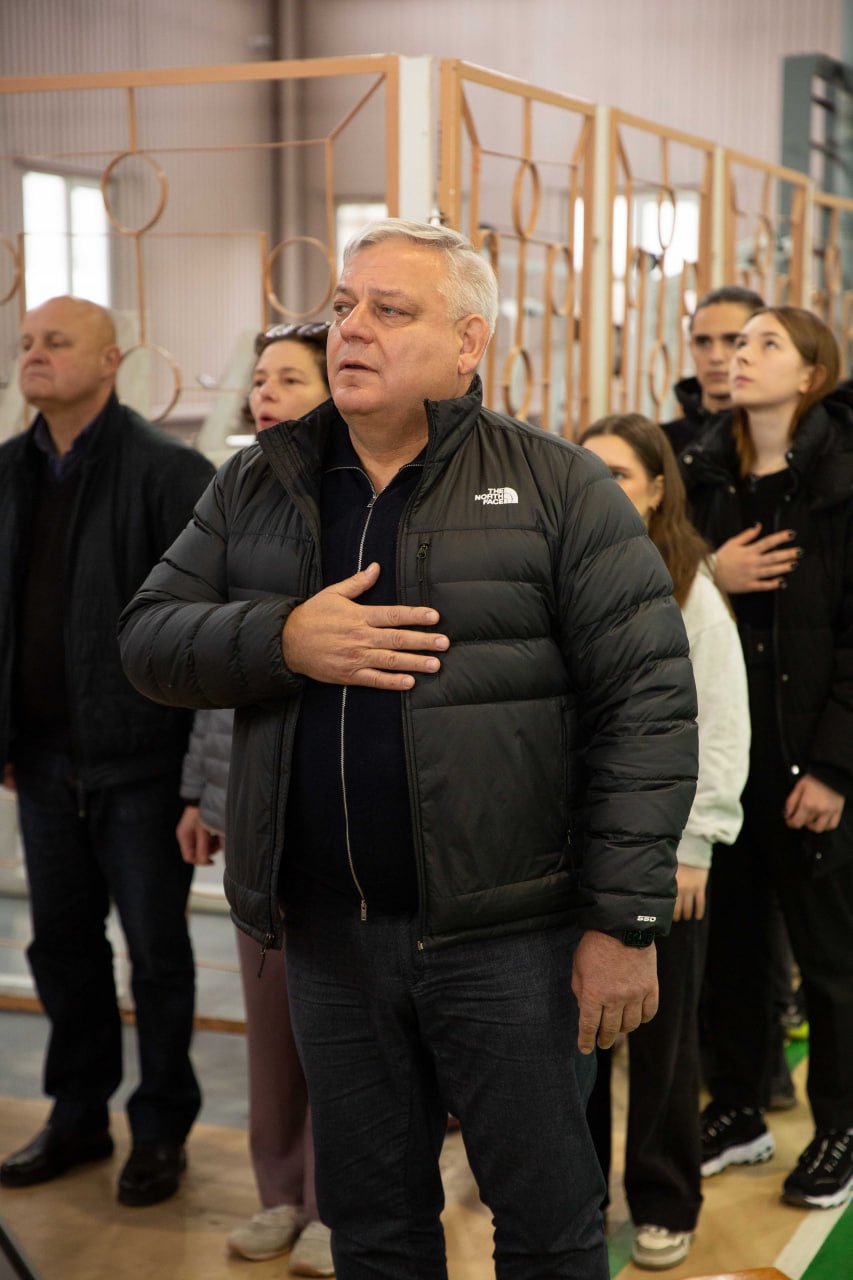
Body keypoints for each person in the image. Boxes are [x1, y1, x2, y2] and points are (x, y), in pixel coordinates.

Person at [118, 219, 698, 1280]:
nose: (352, 329)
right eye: (344, 306)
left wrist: (623, 920)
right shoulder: (257, 483)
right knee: (375, 1230)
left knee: (549, 1225)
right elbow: (148, 640)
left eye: (390, 310)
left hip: (511, 940)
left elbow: (647, 708)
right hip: (330, 937)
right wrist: (281, 639)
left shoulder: (557, 486)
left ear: (469, 342)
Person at [0, 296, 214, 1206]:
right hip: (43, 761)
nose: (34, 355)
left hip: (141, 763)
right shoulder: (8, 471)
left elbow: (203, 629)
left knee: (157, 955)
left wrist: (198, 778)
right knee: (61, 947)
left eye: (57, 342)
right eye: (26, 343)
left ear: (110, 360)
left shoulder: (169, 472)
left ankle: (160, 1129)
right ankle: (78, 1114)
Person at [680, 306, 853, 1210]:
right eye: (732, 342)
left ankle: (839, 1127)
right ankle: (737, 1108)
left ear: (810, 374)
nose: (738, 356)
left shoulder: (839, 477)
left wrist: (832, 769)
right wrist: (715, 569)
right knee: (732, 953)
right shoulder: (703, 471)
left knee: (829, 962)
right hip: (725, 760)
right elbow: (659, 581)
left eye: (763, 344)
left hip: (810, 764)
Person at [177, 321, 334, 1275]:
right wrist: (203, 795)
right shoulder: (236, 495)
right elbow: (211, 664)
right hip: (252, 805)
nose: (265, 395)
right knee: (270, 1023)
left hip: (337, 801)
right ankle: (279, 1192)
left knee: (341, 1031)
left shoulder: (362, 501)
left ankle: (333, 1204)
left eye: (289, 379)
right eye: (261, 380)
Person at [580, 414, 749, 1270]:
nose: (600, 487)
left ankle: (663, 1197)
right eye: (587, 471)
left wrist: (694, 845)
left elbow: (719, 724)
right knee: (573, 1038)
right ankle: (575, 1191)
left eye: (617, 473)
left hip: (660, 852)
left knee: (661, 1039)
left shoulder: (691, 590)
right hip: (570, 853)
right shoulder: (560, 568)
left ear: (655, 490)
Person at [661, 285, 765, 455]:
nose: (715, 357)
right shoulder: (661, 444)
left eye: (733, 341)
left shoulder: (786, 444)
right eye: (703, 342)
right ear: (691, 347)